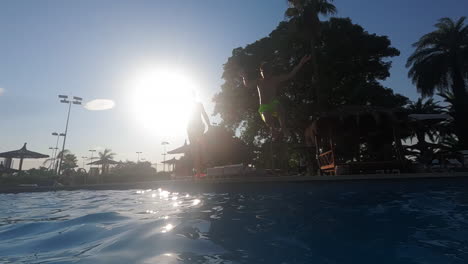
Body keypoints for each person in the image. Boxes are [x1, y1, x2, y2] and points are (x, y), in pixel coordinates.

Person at [241, 55, 311, 139]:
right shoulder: (258, 81)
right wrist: (244, 77)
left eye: (267, 72)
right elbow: (247, 85)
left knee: (279, 107)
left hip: (273, 103)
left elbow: (290, 75)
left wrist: (301, 63)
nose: (265, 75)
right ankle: (273, 129)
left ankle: (283, 127)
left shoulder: (275, 79)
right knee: (267, 117)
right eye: (263, 72)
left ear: (270, 72)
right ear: (261, 72)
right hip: (264, 106)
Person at [187, 95, 211, 178]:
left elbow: (204, 114)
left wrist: (209, 125)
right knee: (196, 149)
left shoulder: (197, 105)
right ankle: (199, 171)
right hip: (192, 128)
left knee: (199, 149)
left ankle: (201, 170)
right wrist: (209, 125)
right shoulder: (192, 105)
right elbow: (204, 114)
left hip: (196, 127)